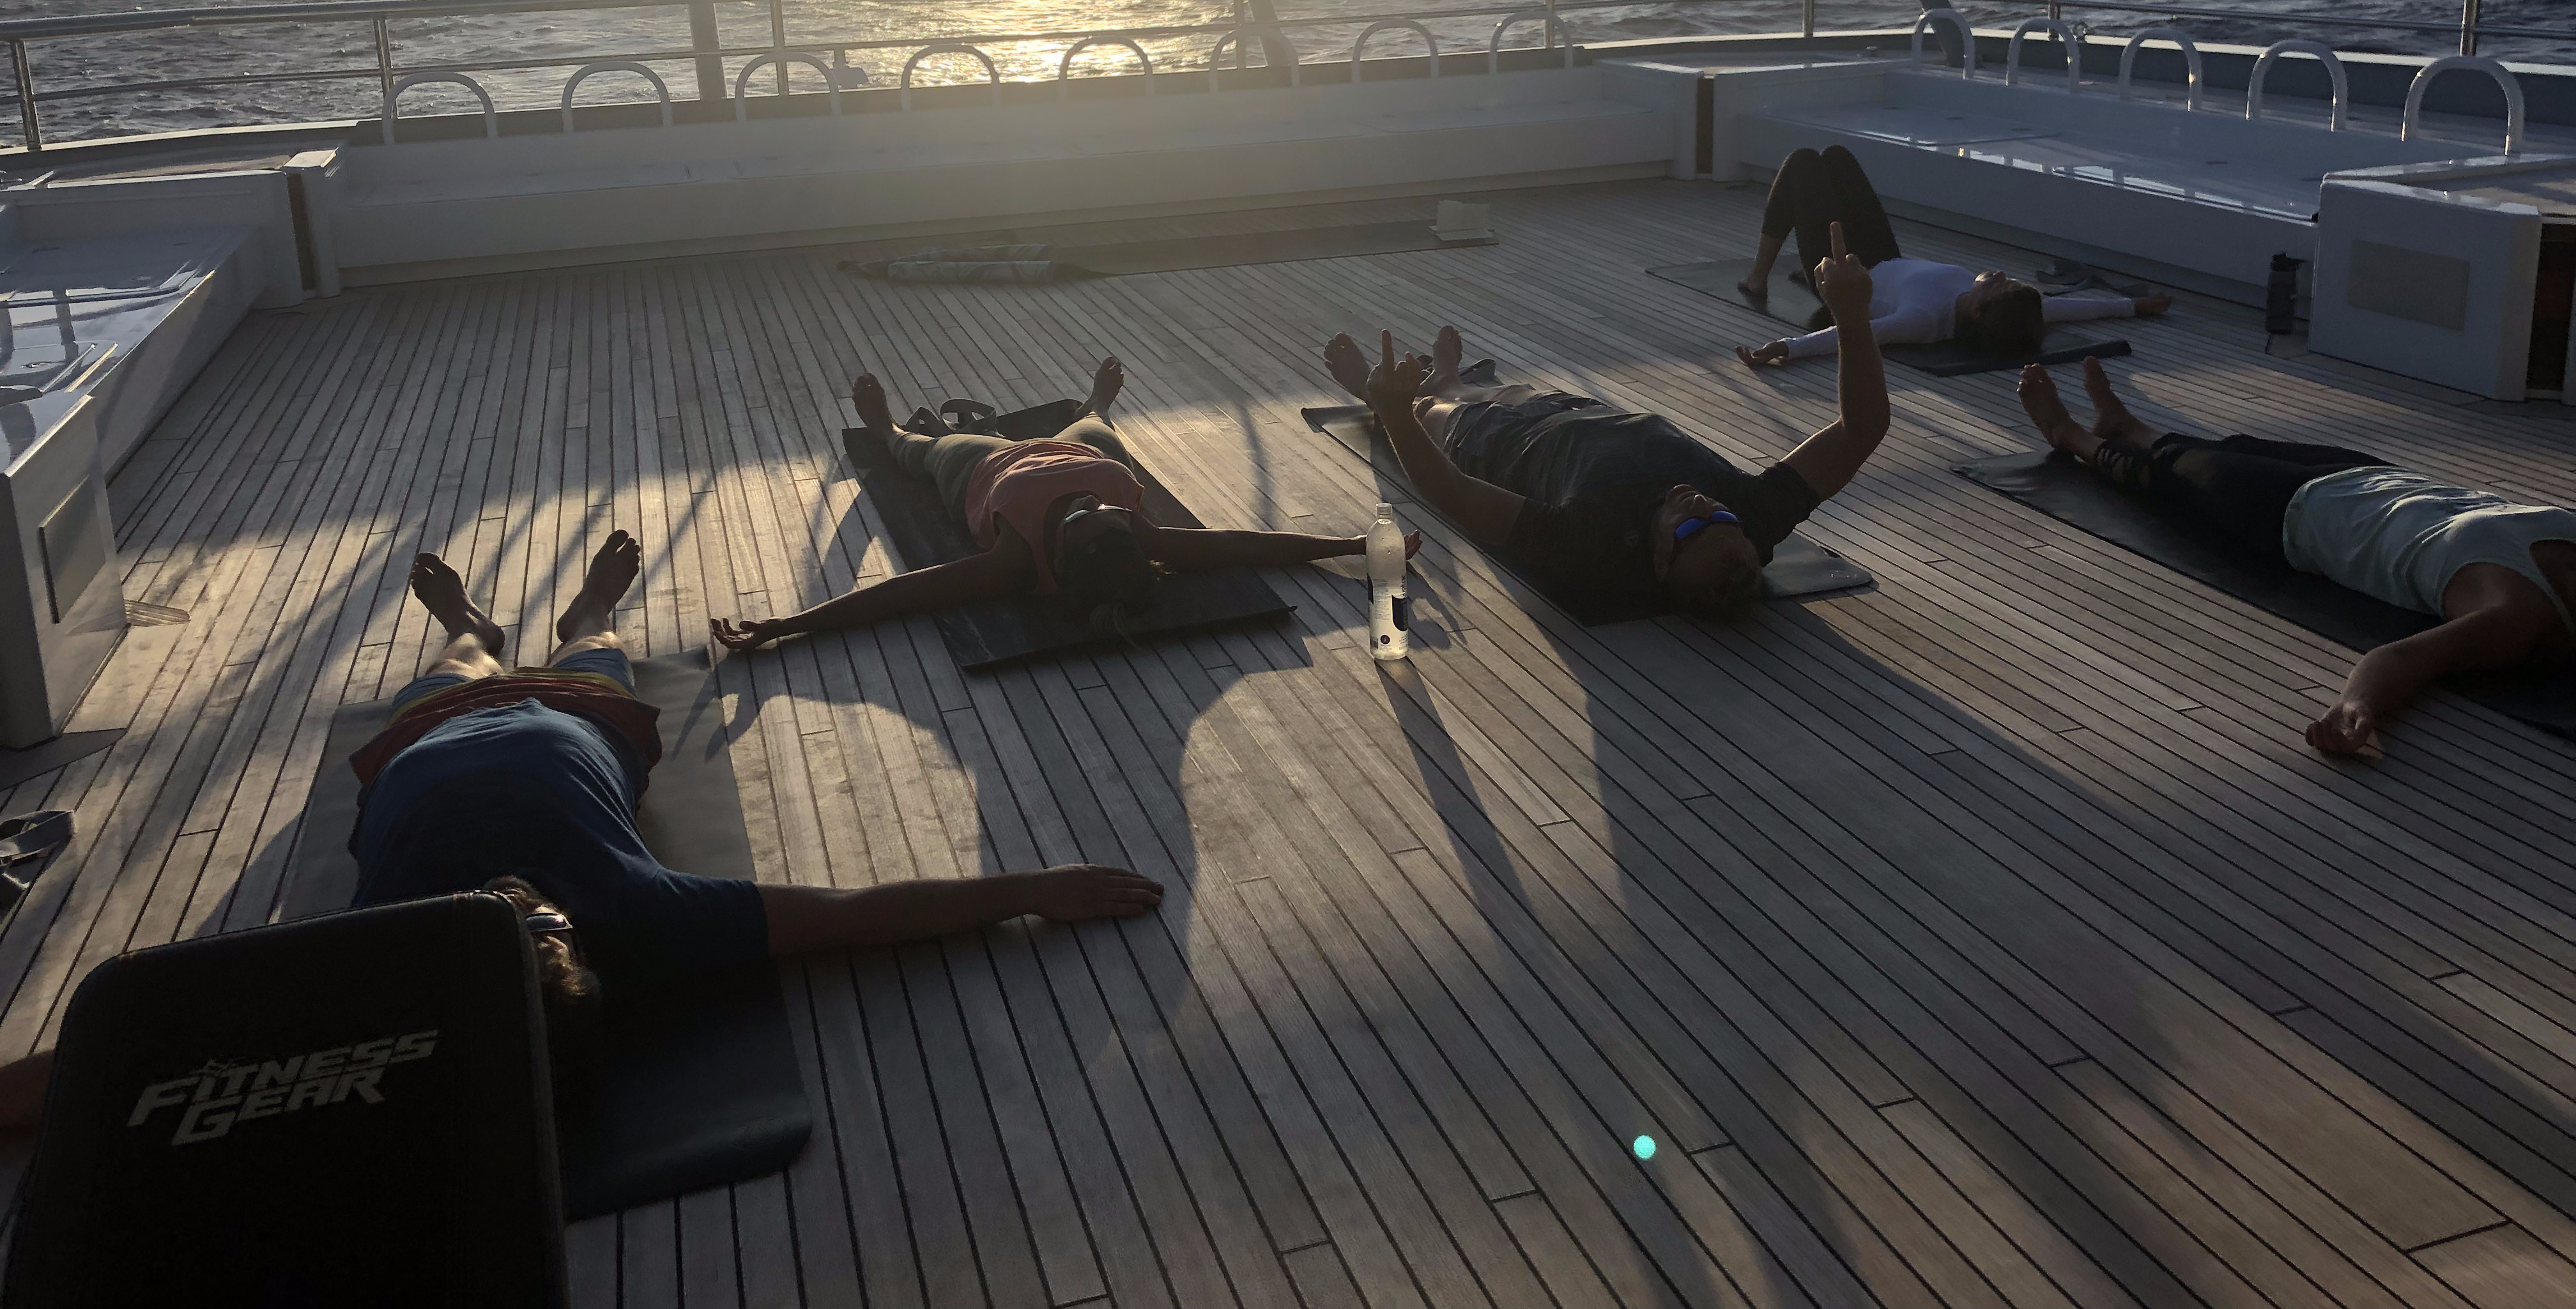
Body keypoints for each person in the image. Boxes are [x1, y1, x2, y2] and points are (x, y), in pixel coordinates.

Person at [0, 530, 1166, 1132]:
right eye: (541, 918)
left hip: (423, 739)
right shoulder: (644, 918)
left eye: (505, 916)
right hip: (578, 723)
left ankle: (469, 622)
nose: (519, 897)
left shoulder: (378, 963)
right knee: (597, 649)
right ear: (573, 943)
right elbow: (858, 916)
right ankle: (587, 613)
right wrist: (1029, 882)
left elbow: (121, 1054)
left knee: (457, 662)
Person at [1322, 222, 1890, 624]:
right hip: (1582, 416)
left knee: (1434, 409)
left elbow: (1451, 491)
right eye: (1722, 515)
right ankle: (1444, 372)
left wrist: (1396, 413)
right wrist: (1851, 316)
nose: (1700, 504)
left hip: (1497, 444)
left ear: (1661, 565)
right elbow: (1862, 429)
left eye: (1691, 527)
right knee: (1504, 389)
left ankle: (1389, 389)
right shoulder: (1757, 515)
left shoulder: (1587, 547)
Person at [2020, 356, 2576, 757]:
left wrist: (2355, 708)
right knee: (2233, 446)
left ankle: (2068, 435)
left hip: (2293, 514)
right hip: (2375, 477)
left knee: (2171, 479)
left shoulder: (2516, 616)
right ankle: (2129, 426)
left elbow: (2404, 659)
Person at [711, 355, 1418, 655]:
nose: (1095, 510)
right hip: (1081, 447)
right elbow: (1248, 544)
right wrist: (1353, 546)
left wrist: (785, 624)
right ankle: (1095, 405)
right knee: (1100, 437)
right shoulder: (1139, 534)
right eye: (1109, 515)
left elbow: (899, 595)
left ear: (1064, 553)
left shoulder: (1011, 559)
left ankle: (888, 430)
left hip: (984, 466)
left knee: (920, 455)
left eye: (1085, 519)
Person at [1734, 143, 2170, 367]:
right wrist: (2134, 306)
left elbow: (1847, 338)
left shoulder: (1924, 321)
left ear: (1980, 309)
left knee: (1804, 163)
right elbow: (2076, 310)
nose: (2000, 275)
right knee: (1837, 158)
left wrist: (1785, 349)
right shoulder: (2011, 310)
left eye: (1999, 284)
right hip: (1887, 254)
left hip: (1843, 270)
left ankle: (1758, 277)